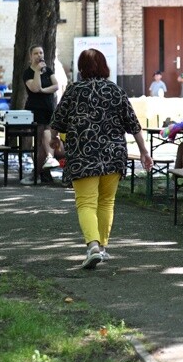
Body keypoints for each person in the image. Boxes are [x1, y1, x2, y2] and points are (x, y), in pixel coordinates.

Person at [49, 49, 151, 270]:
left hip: (83, 156)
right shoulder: (115, 90)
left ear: (81, 68)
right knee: (106, 202)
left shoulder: (74, 90)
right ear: (105, 66)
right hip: (113, 156)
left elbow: (56, 122)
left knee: (86, 202)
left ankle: (93, 246)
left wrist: (55, 140)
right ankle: (102, 248)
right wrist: (144, 152)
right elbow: (133, 125)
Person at [24, 46, 62, 183]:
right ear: (31, 56)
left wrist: (44, 90)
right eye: (36, 53)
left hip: (49, 109)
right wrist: (37, 72)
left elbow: (56, 86)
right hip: (35, 111)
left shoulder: (48, 70)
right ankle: (39, 173)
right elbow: (34, 88)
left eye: (41, 52)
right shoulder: (28, 73)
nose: (39, 55)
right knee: (40, 142)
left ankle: (44, 173)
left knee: (49, 140)